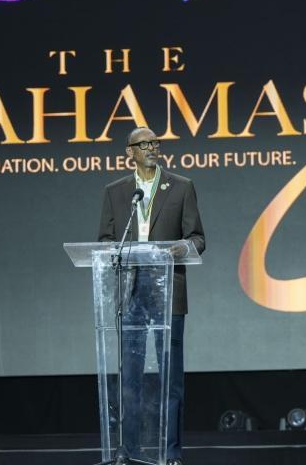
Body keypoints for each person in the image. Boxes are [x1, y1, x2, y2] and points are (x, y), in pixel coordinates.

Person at [98, 127, 206, 465]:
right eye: (143, 144)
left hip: (167, 288)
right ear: (129, 152)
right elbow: (105, 240)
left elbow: (198, 238)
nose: (151, 147)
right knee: (129, 378)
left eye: (154, 143)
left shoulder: (181, 186)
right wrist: (113, 252)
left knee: (170, 378)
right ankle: (127, 451)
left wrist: (181, 248)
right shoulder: (116, 192)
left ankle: (172, 453)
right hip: (130, 292)